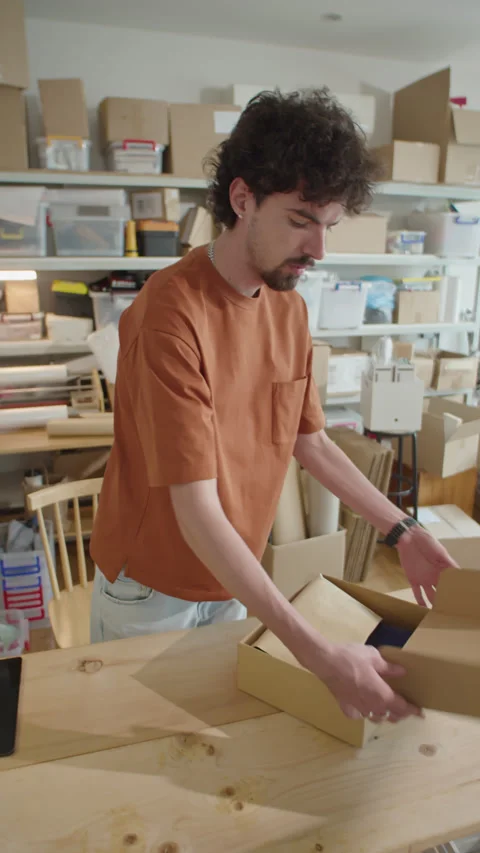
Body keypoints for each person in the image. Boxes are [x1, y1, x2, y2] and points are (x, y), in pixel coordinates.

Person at [90, 89, 456, 725]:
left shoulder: (287, 304)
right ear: (242, 200)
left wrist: (405, 531)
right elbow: (196, 509)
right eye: (299, 220)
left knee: (213, 738)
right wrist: (317, 655)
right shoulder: (168, 318)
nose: (319, 248)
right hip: (151, 586)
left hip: (234, 575)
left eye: (328, 224)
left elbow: (308, 441)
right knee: (136, 742)